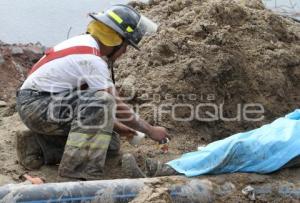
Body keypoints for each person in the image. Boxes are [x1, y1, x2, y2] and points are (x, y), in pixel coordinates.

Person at [16, 4, 170, 180]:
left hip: (42, 105)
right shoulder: (91, 58)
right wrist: (150, 130)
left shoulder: (84, 45)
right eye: (125, 45)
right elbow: (110, 103)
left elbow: (87, 108)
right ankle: (76, 175)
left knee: (109, 143)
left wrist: (120, 128)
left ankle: (38, 146)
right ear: (115, 39)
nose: (125, 51)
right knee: (104, 101)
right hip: (37, 104)